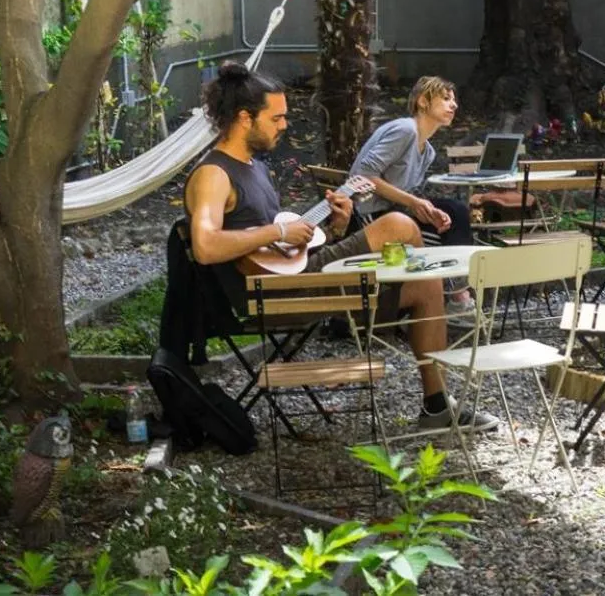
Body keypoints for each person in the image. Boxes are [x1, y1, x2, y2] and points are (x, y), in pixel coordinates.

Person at [184, 63, 496, 432]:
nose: (285, 125)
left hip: (292, 277)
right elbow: (205, 246)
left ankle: (436, 404)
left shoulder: (254, 168)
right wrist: (279, 229)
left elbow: (283, 248)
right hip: (270, 296)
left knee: (426, 288)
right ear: (243, 118)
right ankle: (386, 310)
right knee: (398, 224)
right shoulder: (214, 174)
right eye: (276, 118)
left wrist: (336, 226)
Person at [349, 76, 475, 249]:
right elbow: (363, 175)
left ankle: (456, 271)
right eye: (446, 99)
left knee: (453, 212)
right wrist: (413, 203)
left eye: (454, 100)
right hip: (370, 216)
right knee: (452, 227)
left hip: (395, 213)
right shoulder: (405, 130)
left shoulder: (428, 152)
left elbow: (405, 196)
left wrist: (426, 212)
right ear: (423, 101)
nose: (454, 105)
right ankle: (457, 271)